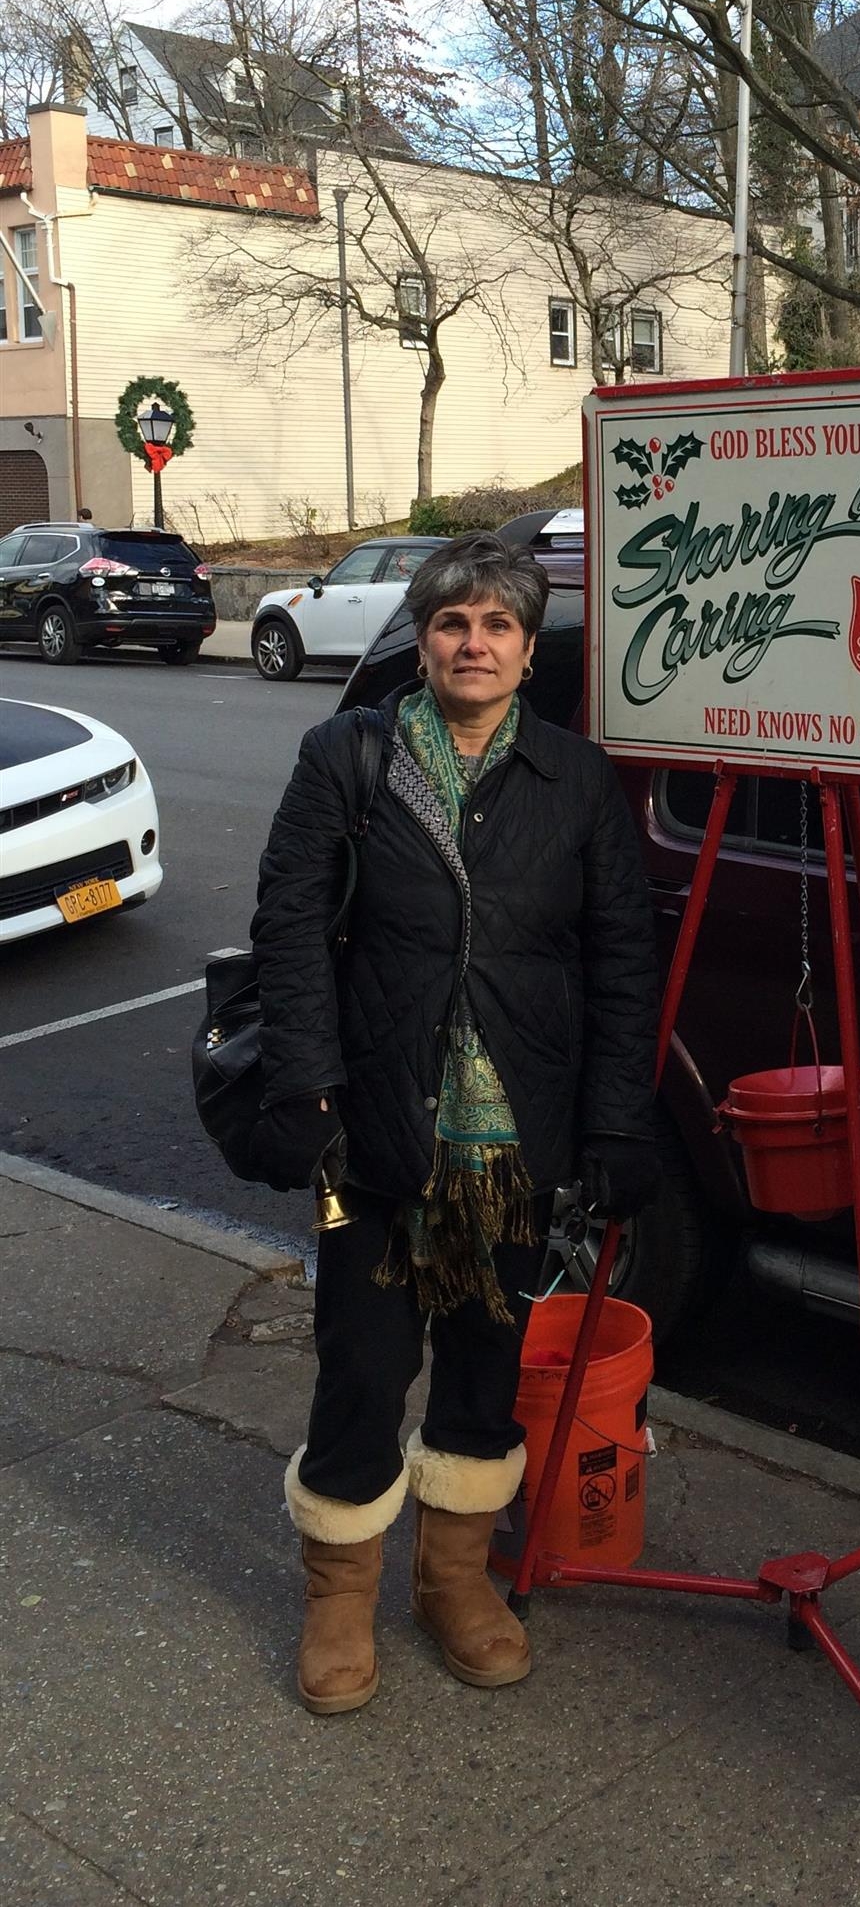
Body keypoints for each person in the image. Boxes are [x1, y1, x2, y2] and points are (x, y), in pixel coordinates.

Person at [251, 531, 659, 1716]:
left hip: (517, 1138)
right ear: (422, 640)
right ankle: (338, 1597)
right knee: (362, 1368)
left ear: (529, 654)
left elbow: (622, 958)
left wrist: (616, 1124)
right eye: (451, 623)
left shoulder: (576, 780)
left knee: (485, 1368)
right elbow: (289, 929)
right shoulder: (348, 757)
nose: (472, 644)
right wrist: (305, 1089)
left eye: (497, 627)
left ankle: (453, 1582)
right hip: (381, 1124)